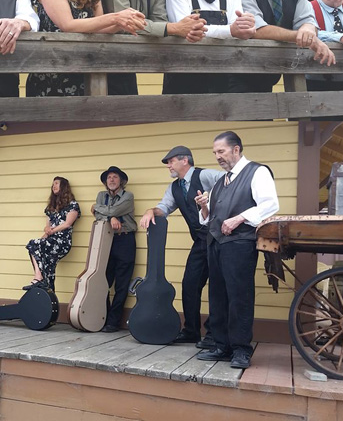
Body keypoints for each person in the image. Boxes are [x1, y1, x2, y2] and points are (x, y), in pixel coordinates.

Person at [195, 131, 279, 369]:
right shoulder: (221, 181)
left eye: (220, 151)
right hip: (216, 243)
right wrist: (204, 208)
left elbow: (270, 204)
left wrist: (238, 219)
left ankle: (241, 349)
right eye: (214, 153)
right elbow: (208, 217)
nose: (217, 157)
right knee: (218, 296)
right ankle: (221, 345)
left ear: (236, 149)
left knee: (239, 297)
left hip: (240, 244)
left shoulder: (257, 171)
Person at [139, 146, 224, 348]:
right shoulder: (175, 187)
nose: (168, 165)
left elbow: (231, 183)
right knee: (190, 284)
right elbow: (164, 208)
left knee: (218, 288)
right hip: (200, 241)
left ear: (185, 160)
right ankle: (192, 331)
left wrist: (212, 200)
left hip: (221, 238)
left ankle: (215, 333)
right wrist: (150, 211)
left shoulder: (205, 175)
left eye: (171, 161)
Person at [235, 0, 336, 92]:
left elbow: (308, 22)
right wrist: (304, 37)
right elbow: (257, 29)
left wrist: (309, 32)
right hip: (237, 73)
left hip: (271, 74)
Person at [91, 166, 136, 332]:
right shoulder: (101, 196)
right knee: (103, 281)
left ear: (121, 181)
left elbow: (108, 210)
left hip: (125, 239)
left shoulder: (128, 196)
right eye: (109, 177)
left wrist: (107, 213)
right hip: (106, 239)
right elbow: (98, 215)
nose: (111, 180)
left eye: (115, 177)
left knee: (122, 284)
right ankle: (102, 317)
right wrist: (112, 218)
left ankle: (113, 321)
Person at [25, 176, 80, 291]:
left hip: (62, 242)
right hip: (51, 240)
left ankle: (38, 277)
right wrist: (46, 232)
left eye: (56, 183)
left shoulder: (72, 205)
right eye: (53, 184)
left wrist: (51, 231)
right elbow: (48, 226)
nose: (53, 186)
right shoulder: (51, 207)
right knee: (48, 269)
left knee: (33, 243)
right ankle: (50, 299)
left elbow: (67, 224)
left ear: (63, 187)